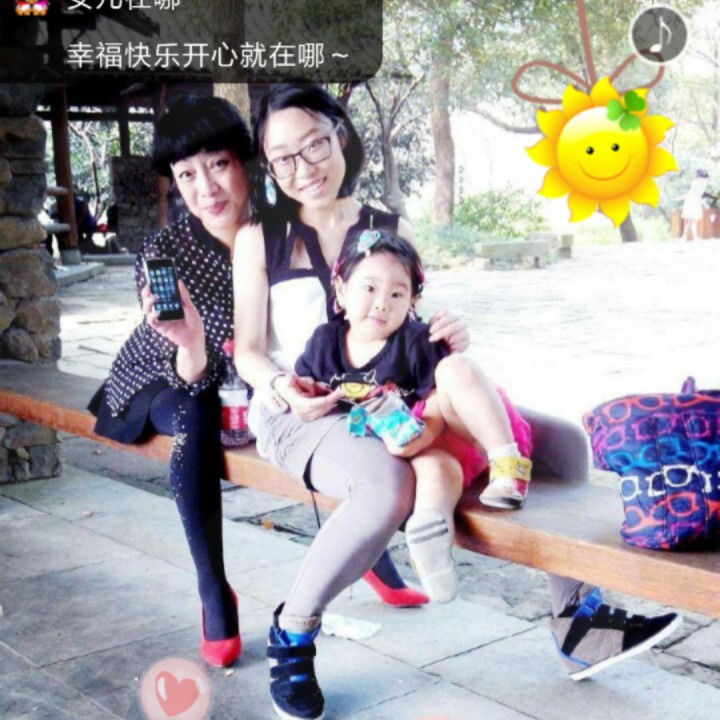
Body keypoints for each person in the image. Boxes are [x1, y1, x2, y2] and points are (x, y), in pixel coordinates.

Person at [233, 83, 681, 720]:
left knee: (560, 446)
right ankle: (294, 631)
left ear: (340, 135)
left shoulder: (391, 226)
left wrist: (449, 332)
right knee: (387, 485)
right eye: (283, 158)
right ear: (269, 165)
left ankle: (576, 622)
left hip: (399, 400)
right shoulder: (262, 236)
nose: (303, 168)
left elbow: (411, 327)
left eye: (314, 145)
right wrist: (281, 387)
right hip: (304, 409)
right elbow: (249, 351)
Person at [87, 94, 414, 671]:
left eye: (217, 164)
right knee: (194, 413)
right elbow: (191, 368)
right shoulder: (165, 250)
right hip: (170, 375)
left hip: (255, 382)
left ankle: (370, 554)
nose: (205, 188)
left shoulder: (281, 224)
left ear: (246, 161)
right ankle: (214, 591)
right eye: (186, 175)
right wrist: (192, 343)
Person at [295, 229, 533, 602]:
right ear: (340, 290)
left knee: (454, 368)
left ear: (412, 301)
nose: (381, 304)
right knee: (434, 470)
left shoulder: (417, 341)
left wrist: (423, 435)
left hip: (456, 428)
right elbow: (303, 385)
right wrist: (300, 397)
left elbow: (438, 403)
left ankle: (509, 466)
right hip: (408, 450)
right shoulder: (324, 342)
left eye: (396, 294)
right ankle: (431, 541)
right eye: (369, 288)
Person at [681, 169, 709, 241]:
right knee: (691, 221)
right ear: (700, 177)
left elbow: (698, 196)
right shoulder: (696, 183)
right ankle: (691, 238)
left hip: (694, 203)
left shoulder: (698, 184)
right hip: (692, 203)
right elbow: (698, 194)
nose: (704, 180)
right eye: (703, 178)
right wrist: (705, 204)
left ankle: (686, 237)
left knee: (691, 222)